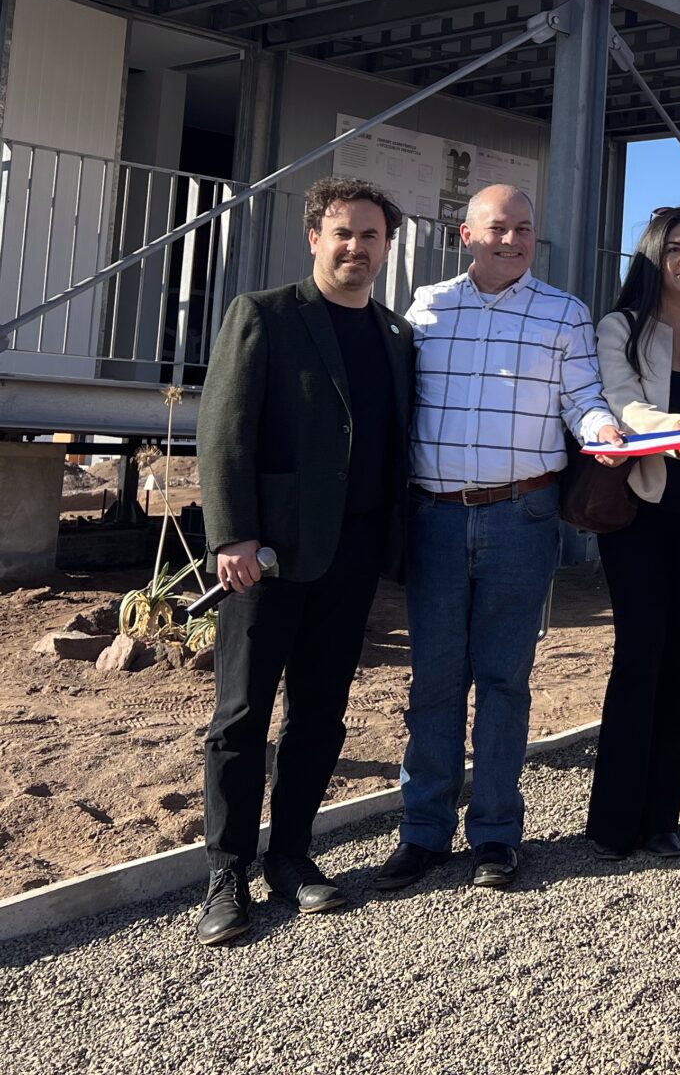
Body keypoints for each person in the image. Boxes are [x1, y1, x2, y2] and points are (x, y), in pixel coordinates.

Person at [373, 184, 624, 894]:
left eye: (523, 229)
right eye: (497, 228)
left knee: (505, 680)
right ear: (466, 235)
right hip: (436, 519)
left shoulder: (564, 312)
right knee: (435, 681)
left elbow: (583, 398)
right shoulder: (426, 310)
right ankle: (423, 833)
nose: (512, 240)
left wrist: (604, 431)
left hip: (523, 518)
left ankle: (494, 834)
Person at [195, 177, 414, 945]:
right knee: (242, 715)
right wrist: (232, 535)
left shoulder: (395, 335)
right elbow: (224, 429)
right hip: (269, 556)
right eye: (342, 233)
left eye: (370, 236)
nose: (356, 247)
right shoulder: (265, 314)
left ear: (387, 248)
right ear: (315, 238)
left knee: (320, 713)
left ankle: (290, 856)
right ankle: (226, 872)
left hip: (353, 555)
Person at [587, 206, 680, 859]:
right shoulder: (620, 326)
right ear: (653, 256)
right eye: (674, 247)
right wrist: (663, 426)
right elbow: (622, 400)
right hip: (640, 518)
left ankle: (662, 818)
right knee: (638, 657)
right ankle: (613, 822)